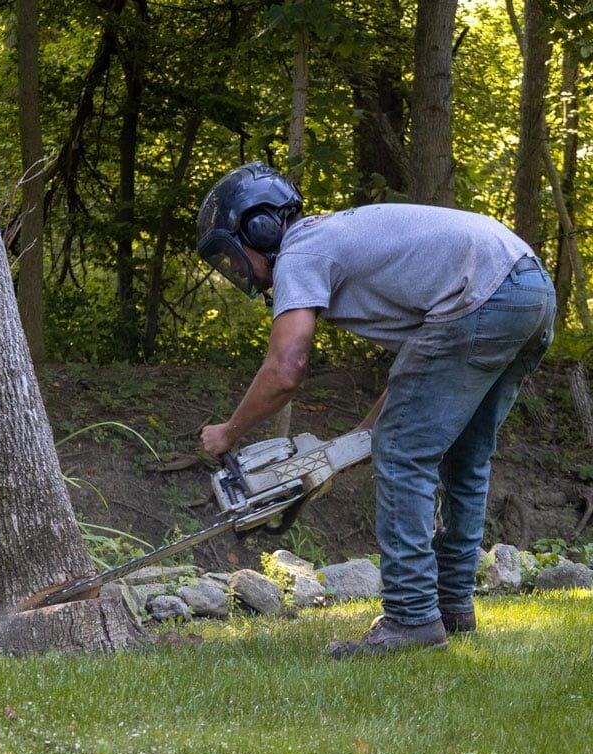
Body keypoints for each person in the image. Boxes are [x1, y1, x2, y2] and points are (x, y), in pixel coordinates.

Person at [196, 161, 556, 657]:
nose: (237, 271)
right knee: (465, 460)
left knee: (404, 457)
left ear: (256, 228)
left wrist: (228, 433)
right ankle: (452, 608)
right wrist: (368, 430)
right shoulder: (335, 236)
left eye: (232, 258)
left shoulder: (298, 253)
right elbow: (426, 356)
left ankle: (411, 618)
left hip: (482, 298)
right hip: (528, 287)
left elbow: (286, 369)